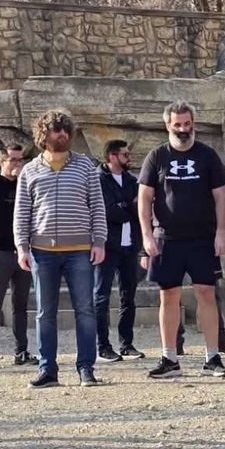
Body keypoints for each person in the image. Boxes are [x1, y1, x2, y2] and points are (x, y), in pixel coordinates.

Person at [138, 100, 225, 378]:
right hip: (167, 238)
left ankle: (212, 358)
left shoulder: (208, 155)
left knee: (206, 293)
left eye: (187, 124)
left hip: (203, 238)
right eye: (177, 125)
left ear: (193, 123)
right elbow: (144, 198)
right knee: (168, 295)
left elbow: (221, 196)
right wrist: (146, 235)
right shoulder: (156, 156)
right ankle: (169, 359)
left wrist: (221, 232)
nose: (182, 129)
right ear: (168, 124)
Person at [14, 110, 107, 388]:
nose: (63, 134)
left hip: (80, 250)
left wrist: (99, 241)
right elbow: (22, 212)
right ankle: (48, 370)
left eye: (66, 129)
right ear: (44, 134)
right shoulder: (29, 171)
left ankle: (86, 368)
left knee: (85, 310)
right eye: (57, 130)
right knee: (45, 312)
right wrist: (21, 247)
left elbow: (97, 206)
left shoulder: (86, 167)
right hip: (42, 252)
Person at [0, 145, 37, 369]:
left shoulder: (26, 183)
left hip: (23, 252)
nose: (17, 164)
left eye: (20, 160)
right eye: (12, 160)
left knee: (20, 306)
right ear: (2, 161)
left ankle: (21, 351)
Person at [95, 139, 145, 362]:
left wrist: (125, 207)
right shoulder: (98, 180)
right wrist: (128, 206)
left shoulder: (132, 180)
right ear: (112, 157)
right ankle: (103, 346)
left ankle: (126, 344)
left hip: (129, 246)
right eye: (124, 154)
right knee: (101, 296)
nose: (129, 158)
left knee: (128, 296)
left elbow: (140, 208)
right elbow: (108, 211)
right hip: (106, 246)